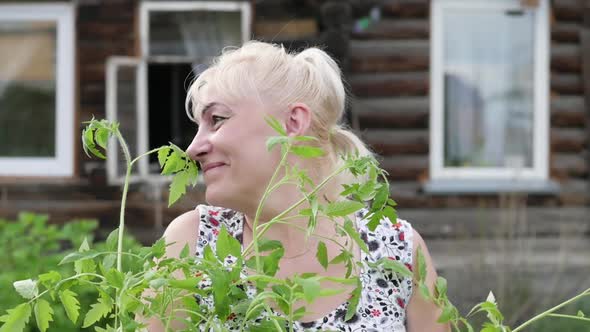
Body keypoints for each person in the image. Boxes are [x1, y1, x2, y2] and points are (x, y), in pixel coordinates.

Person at [144, 41, 449, 331]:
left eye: (218, 119)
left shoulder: (396, 251)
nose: (193, 148)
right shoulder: (193, 245)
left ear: (292, 122)